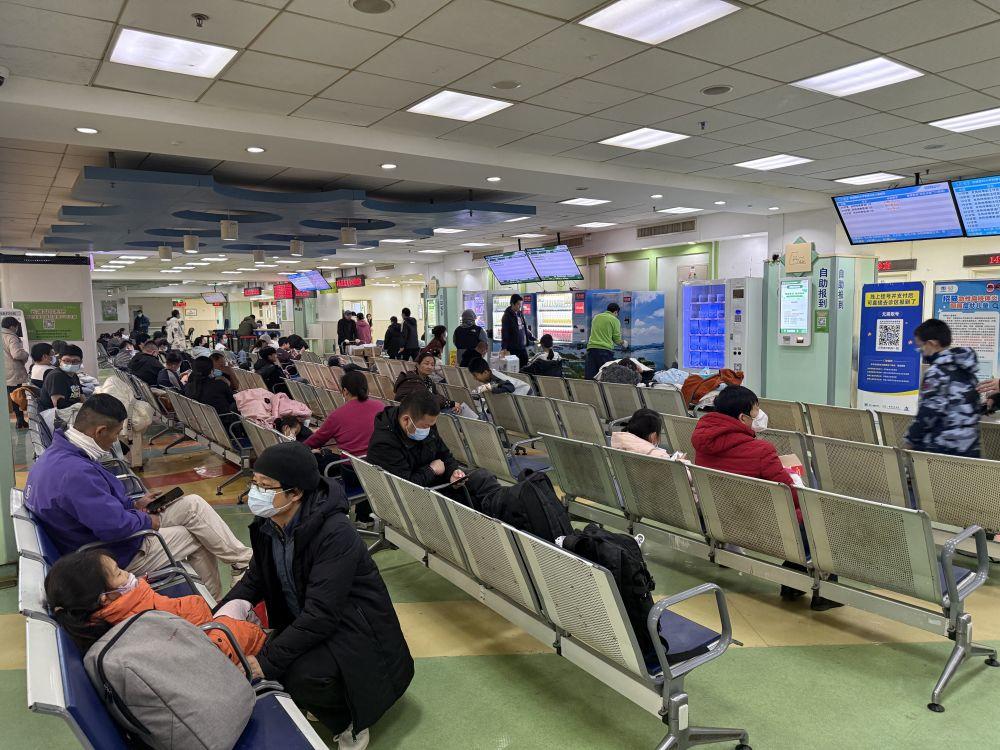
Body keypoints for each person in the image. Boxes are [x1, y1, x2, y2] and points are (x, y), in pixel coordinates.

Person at [216, 442, 414, 746]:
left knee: (296, 675)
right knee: (267, 658)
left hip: (354, 629)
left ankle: (351, 721)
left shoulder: (335, 533)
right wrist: (223, 612)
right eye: (254, 483)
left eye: (266, 486)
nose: (256, 492)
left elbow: (322, 614)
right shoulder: (270, 524)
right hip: (311, 618)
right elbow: (256, 577)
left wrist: (266, 661)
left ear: (295, 493)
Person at [24, 394, 251, 599]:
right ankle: (213, 605)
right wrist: (146, 520)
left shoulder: (60, 454)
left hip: (100, 537)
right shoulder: (75, 473)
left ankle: (243, 562)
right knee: (195, 538)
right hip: (110, 553)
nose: (116, 440)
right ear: (100, 431)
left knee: (193, 505)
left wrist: (134, 504)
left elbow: (97, 506)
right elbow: (114, 527)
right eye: (116, 433)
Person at [691, 385, 840, 611]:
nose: (758, 415)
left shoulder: (703, 444)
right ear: (742, 418)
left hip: (722, 521)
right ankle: (824, 592)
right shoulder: (761, 450)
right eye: (755, 410)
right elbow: (792, 495)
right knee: (819, 514)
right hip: (763, 527)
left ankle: (794, 581)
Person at [45, 549, 265, 665]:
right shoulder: (139, 620)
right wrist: (256, 638)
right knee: (243, 611)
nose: (128, 574)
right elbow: (201, 652)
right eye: (119, 573)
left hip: (201, 633)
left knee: (237, 607)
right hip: (214, 650)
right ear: (105, 598)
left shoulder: (108, 620)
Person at [367, 390, 499, 508]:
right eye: (426, 426)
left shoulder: (423, 424)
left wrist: (453, 472)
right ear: (406, 420)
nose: (429, 429)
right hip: (419, 498)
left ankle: (505, 507)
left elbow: (444, 454)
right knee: (477, 502)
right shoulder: (384, 444)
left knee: (483, 477)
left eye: (431, 425)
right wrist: (431, 470)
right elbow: (407, 487)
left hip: (438, 482)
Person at [905, 318, 981, 457]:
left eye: (921, 347)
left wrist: (910, 440)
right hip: (970, 447)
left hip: (942, 449)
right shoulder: (966, 368)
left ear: (931, 344)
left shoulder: (937, 372)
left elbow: (928, 412)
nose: (921, 352)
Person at [305, 370, 384, 457]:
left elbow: (315, 441)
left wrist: (298, 447)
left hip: (351, 463)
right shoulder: (381, 406)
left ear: (345, 391)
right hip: (381, 461)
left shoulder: (337, 416)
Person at [395, 352, 478, 419]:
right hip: (415, 414)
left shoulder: (427, 380)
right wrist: (451, 403)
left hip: (424, 409)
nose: (429, 367)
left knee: (459, 409)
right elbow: (427, 398)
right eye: (426, 363)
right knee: (460, 412)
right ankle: (477, 428)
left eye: (432, 365)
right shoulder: (412, 379)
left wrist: (450, 404)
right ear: (417, 365)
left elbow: (436, 396)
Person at [186, 356, 240, 432]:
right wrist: (227, 384)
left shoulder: (189, 387)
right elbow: (232, 401)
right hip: (223, 425)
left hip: (201, 423)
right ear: (211, 370)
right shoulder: (219, 384)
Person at [585, 303, 625, 380]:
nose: (617, 315)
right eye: (617, 314)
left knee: (590, 376)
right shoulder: (615, 320)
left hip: (591, 349)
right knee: (606, 376)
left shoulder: (596, 317)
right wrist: (624, 343)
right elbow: (616, 340)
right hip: (605, 351)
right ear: (616, 312)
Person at [39, 344, 84, 411]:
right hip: (57, 414)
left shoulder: (74, 375)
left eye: (75, 361)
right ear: (60, 361)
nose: (71, 364)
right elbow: (60, 407)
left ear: (80, 362)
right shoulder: (56, 377)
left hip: (72, 411)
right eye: (67, 361)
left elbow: (82, 397)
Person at [2, 316, 29, 429]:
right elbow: (17, 354)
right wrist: (26, 354)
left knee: (8, 396)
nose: (17, 329)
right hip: (13, 372)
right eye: (17, 327)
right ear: (12, 326)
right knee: (16, 396)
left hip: (4, 371)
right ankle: (20, 420)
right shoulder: (11, 337)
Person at [500, 294, 534, 369]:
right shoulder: (507, 316)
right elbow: (505, 333)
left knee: (525, 364)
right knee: (514, 368)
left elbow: (523, 328)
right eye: (518, 304)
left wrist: (532, 337)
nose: (520, 306)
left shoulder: (520, 314)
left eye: (521, 304)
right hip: (513, 348)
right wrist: (504, 347)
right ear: (512, 304)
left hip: (522, 346)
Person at [468, 357, 532, 396]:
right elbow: (495, 384)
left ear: (485, 372)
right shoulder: (489, 375)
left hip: (525, 391)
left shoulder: (496, 377)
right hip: (518, 392)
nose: (474, 378)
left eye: (475, 375)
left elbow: (511, 387)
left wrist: (493, 390)